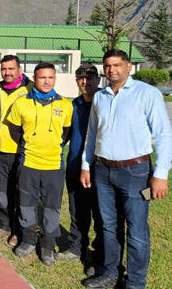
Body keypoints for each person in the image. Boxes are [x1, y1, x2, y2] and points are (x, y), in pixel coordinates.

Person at [81, 50, 172, 289]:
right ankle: (110, 273)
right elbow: (92, 134)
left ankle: (135, 282)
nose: (112, 70)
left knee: (136, 229)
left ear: (129, 66)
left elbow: (163, 134)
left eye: (117, 65)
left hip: (136, 172)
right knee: (108, 226)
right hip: (103, 171)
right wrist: (85, 165)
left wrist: (161, 174)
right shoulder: (100, 96)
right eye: (108, 66)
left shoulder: (147, 94)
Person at [7, 62, 72, 266]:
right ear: (34, 78)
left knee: (52, 207)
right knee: (27, 204)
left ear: (55, 79)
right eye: (42, 77)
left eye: (51, 78)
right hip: (29, 164)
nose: (47, 81)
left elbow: (66, 133)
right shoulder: (21, 103)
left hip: (53, 166)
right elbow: (15, 130)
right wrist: (30, 147)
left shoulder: (65, 104)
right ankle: (28, 239)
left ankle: (47, 244)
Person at [54, 64, 104, 269]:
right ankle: (76, 248)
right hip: (76, 167)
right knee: (77, 211)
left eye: (90, 78)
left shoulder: (106, 102)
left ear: (98, 80)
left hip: (101, 169)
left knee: (102, 215)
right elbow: (63, 135)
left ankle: (100, 254)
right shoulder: (72, 106)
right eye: (81, 78)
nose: (85, 82)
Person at [0, 55, 32, 245]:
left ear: (19, 69)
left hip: (22, 151)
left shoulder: (30, 89)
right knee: (0, 191)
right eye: (4, 69)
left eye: (11, 68)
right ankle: (3, 225)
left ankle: (18, 230)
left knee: (20, 192)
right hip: (0, 149)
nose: (7, 72)